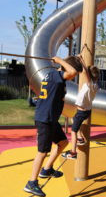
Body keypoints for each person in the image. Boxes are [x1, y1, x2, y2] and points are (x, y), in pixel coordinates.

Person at [24, 56, 83, 196]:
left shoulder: (54, 76)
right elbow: (72, 72)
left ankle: (47, 169)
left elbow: (73, 71)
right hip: (45, 119)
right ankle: (31, 183)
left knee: (63, 143)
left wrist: (77, 60)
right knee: (42, 152)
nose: (72, 78)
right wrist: (59, 60)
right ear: (64, 68)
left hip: (50, 119)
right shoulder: (57, 76)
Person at [61, 62, 99, 160]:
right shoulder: (95, 86)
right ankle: (80, 138)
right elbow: (87, 73)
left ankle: (73, 153)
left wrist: (81, 61)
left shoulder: (90, 85)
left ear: (88, 77)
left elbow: (85, 72)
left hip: (82, 112)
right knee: (73, 120)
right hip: (85, 111)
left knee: (73, 131)